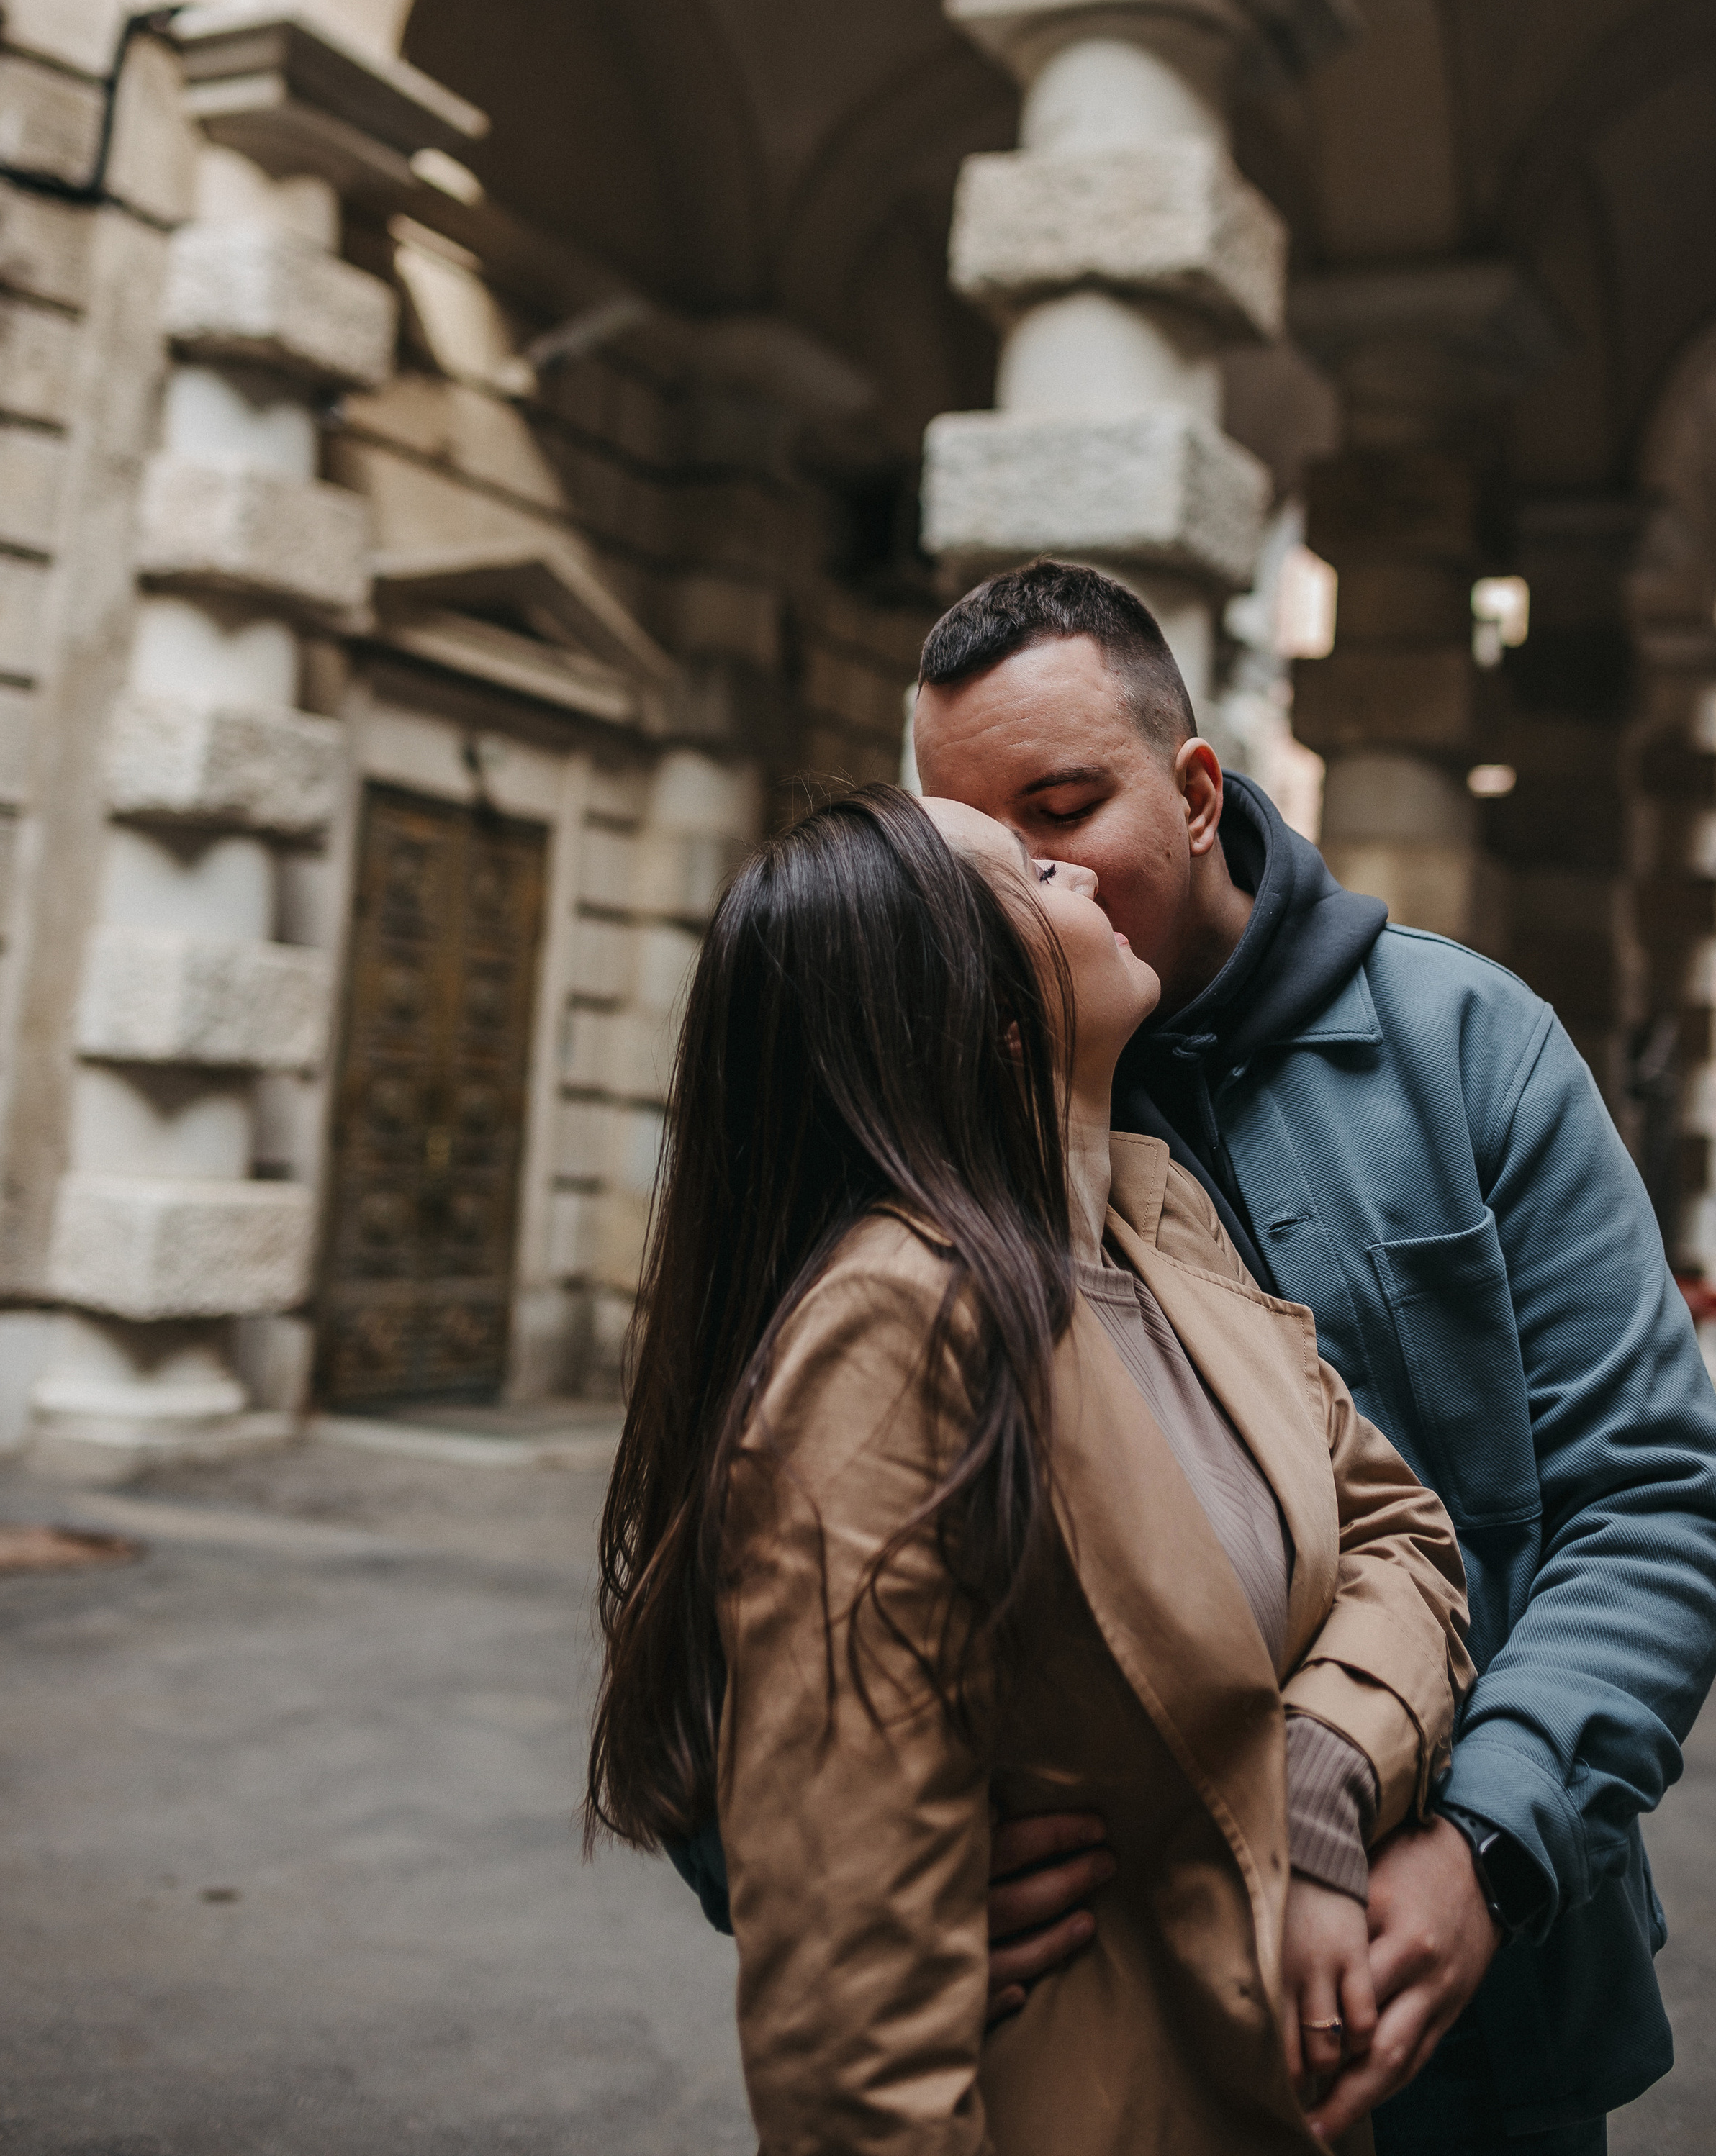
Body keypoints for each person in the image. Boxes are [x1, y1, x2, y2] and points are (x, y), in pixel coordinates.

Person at [907, 561, 1716, 2155]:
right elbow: (763, 1555)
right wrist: (834, 1855)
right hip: (1089, 2027)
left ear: (1199, 788)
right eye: (968, 852)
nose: (1023, 890)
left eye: (1065, 810)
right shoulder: (936, 1104)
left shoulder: (1467, 1045)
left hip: (1473, 2009)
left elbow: (1646, 1503)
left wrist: (1490, 1842)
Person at [589, 782, 1474, 2152]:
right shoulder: (897, 1326)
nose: (1079, 877)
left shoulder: (1162, 1235)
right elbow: (853, 2031)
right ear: (982, 1014)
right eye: (1028, 877)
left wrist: (1319, 1780)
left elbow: (1405, 1543)